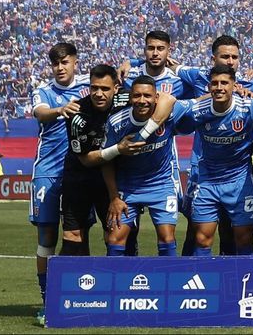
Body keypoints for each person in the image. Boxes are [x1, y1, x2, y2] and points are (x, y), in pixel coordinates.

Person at [62, 65, 175, 256]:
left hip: (115, 179)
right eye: (94, 88)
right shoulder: (77, 115)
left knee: (118, 234)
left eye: (105, 88)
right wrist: (118, 149)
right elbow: (86, 160)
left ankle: (125, 283)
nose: (98, 93)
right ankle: (76, 284)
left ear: (116, 88)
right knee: (73, 236)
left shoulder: (129, 98)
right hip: (80, 178)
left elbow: (167, 98)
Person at [173, 65, 253, 256]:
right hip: (208, 181)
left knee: (244, 238)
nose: (219, 87)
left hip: (240, 182)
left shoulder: (249, 106)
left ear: (234, 86)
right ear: (208, 87)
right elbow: (170, 112)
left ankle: (247, 280)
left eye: (224, 83)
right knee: (202, 238)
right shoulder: (198, 110)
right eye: (214, 83)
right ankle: (202, 282)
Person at [28, 42, 89, 326]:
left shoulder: (90, 86)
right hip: (48, 172)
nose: (60, 67)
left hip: (80, 172)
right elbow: (40, 113)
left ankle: (83, 298)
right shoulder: (44, 90)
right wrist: (61, 109)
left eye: (65, 62)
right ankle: (46, 302)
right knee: (47, 238)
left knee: (80, 235)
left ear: (75, 62)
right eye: (56, 63)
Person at [101, 75, 194, 257]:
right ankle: (116, 284)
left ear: (156, 97)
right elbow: (106, 160)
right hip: (127, 187)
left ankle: (168, 282)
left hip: (161, 185)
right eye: (137, 96)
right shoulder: (117, 122)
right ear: (130, 97)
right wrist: (113, 197)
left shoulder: (171, 113)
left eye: (147, 96)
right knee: (114, 239)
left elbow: (198, 102)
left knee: (167, 238)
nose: (142, 101)